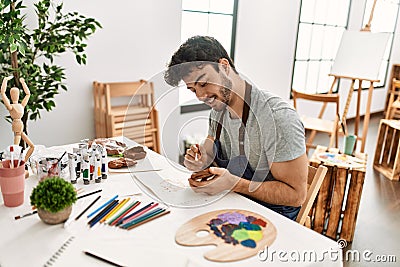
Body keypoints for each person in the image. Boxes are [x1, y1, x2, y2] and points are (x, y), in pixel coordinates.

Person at [164, 36, 308, 220]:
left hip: (273, 217)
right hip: (236, 203)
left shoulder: (278, 117)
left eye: (203, 83)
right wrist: (200, 160)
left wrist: (234, 184)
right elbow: (209, 150)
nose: (200, 96)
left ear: (224, 66)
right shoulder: (218, 110)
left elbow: (296, 195)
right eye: (193, 89)